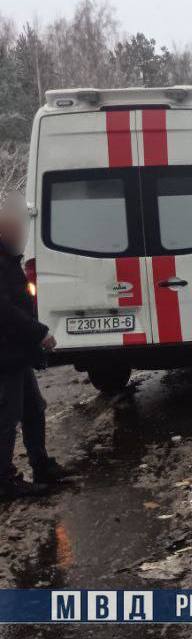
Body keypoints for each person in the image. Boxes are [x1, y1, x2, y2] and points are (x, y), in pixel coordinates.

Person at [0, 198, 67, 499]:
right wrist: (39, 333)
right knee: (7, 417)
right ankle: (4, 481)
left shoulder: (9, 260)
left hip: (16, 355)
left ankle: (41, 464)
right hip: (5, 357)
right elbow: (5, 311)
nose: (21, 238)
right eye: (15, 233)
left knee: (33, 409)